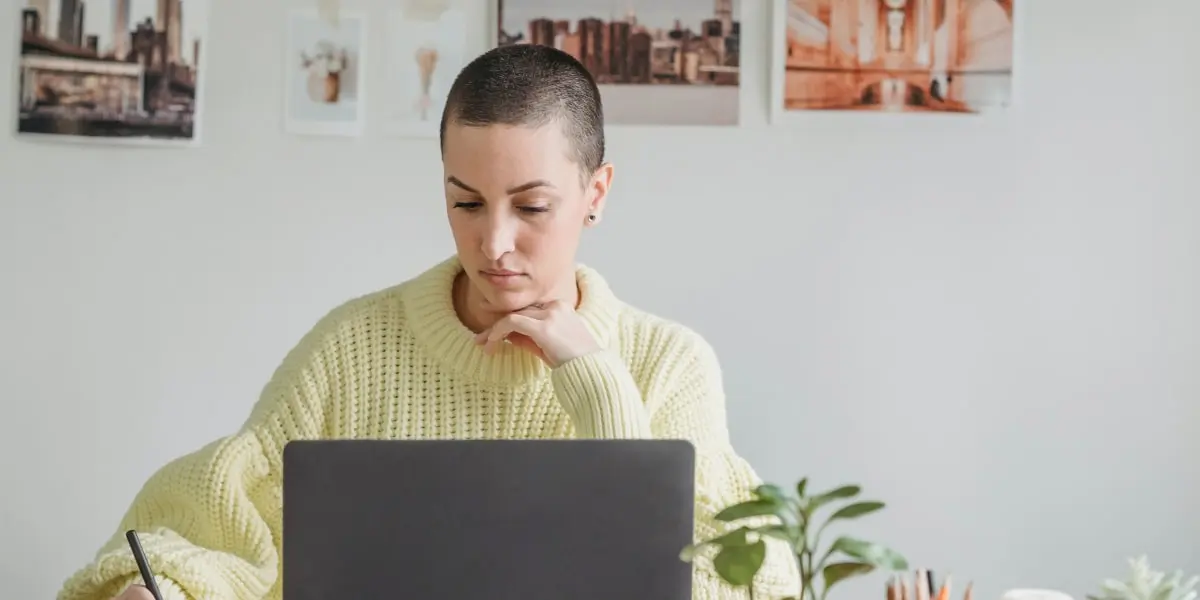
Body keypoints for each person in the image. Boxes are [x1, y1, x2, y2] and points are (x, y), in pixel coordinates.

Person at [58, 44, 799, 600]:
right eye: (466, 202)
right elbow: (230, 522)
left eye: (532, 207)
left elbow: (735, 583)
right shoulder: (353, 346)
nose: (494, 243)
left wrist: (593, 376)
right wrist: (157, 589)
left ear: (596, 192)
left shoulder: (669, 361)